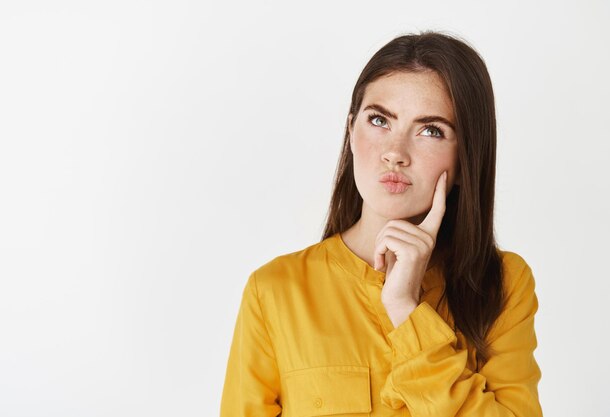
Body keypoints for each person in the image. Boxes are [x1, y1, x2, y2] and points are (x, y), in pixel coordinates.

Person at [220, 30, 543, 417]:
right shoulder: (275, 291)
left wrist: (406, 309)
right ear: (351, 131)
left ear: (465, 162)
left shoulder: (502, 283)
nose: (395, 153)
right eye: (379, 120)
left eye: (431, 130)